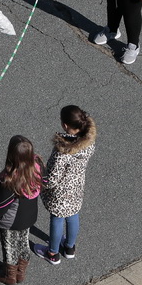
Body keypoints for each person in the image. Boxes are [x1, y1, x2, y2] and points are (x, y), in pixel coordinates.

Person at [34, 105, 97, 264]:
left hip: (60, 192)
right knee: (73, 215)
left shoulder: (63, 152)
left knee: (57, 218)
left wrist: (40, 173)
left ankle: (52, 253)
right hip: (76, 187)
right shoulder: (88, 142)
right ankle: (69, 247)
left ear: (65, 126)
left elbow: (52, 179)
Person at [0, 135, 43, 285]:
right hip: (29, 216)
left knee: (9, 245)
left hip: (10, 221)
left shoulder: (10, 180)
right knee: (23, 241)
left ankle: (9, 276)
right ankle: (21, 271)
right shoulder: (37, 165)